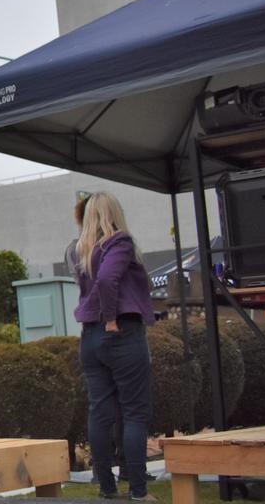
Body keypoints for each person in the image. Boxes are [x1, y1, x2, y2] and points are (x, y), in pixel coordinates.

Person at [72, 192, 156, 501]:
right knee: (134, 413)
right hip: (120, 331)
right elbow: (108, 280)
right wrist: (111, 318)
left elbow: (96, 283)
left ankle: (107, 488)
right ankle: (138, 490)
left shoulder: (79, 249)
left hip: (90, 338)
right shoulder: (120, 242)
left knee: (100, 412)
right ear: (114, 213)